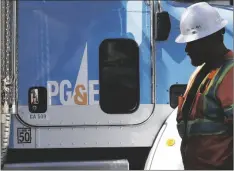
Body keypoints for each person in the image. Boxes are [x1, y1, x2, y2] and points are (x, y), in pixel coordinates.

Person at [175, 2, 233, 170]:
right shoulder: (200, 73)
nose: (186, 49)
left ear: (213, 38)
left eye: (192, 42)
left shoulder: (230, 74)